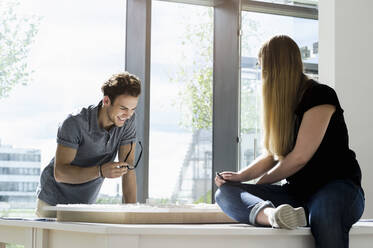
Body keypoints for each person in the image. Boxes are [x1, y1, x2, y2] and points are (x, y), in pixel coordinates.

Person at [215, 35, 364, 248]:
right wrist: (241, 177)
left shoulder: (321, 95)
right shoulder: (283, 107)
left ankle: (281, 213)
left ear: (273, 68)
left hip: (337, 187)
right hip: (297, 194)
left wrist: (260, 184)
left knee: (324, 215)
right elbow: (273, 154)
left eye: (262, 67)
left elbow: (299, 158)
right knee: (226, 193)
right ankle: (274, 216)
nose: (261, 74)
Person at [36, 72, 142, 218]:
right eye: (123, 108)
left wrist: (131, 215)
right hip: (53, 200)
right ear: (106, 101)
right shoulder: (75, 123)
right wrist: (100, 171)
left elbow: (128, 169)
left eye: (133, 109)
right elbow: (60, 173)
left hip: (85, 203)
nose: (128, 115)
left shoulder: (127, 121)